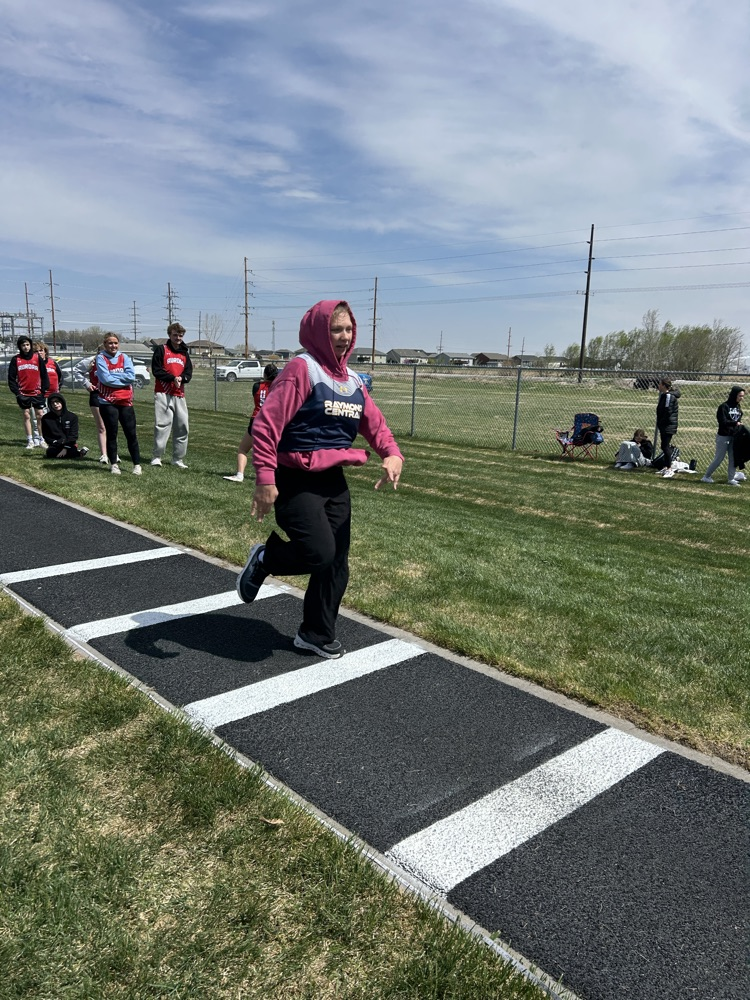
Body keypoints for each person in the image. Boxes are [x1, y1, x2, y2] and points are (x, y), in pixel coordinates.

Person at [236, 300, 403, 659]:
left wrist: (392, 454)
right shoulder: (303, 369)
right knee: (318, 552)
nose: (344, 337)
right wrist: (265, 478)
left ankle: (315, 634)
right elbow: (266, 425)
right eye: (335, 330)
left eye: (348, 330)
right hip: (295, 479)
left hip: (334, 481)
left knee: (337, 562)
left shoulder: (353, 381)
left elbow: (375, 424)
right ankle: (266, 558)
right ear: (319, 332)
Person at [95, 333, 142, 476]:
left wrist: (114, 376)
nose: (113, 346)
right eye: (110, 343)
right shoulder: (101, 358)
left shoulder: (124, 357)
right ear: (105, 344)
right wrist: (120, 379)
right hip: (108, 401)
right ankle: (114, 464)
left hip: (125, 401)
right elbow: (105, 379)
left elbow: (131, 377)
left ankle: (137, 465)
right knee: (112, 433)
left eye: (115, 343)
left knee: (131, 434)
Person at [223, 363, 279, 482]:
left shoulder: (257, 386)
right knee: (273, 452)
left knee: (243, 449)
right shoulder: (280, 387)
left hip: (257, 420)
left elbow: (256, 394)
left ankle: (240, 475)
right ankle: (273, 477)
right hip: (273, 422)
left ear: (265, 374)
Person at [150, 322, 193, 468]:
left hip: (179, 394)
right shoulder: (162, 349)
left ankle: (178, 459)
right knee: (162, 425)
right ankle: (157, 456)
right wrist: (172, 378)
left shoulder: (184, 353)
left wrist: (182, 378)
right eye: (175, 335)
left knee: (182, 426)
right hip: (163, 392)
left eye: (180, 335)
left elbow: (188, 373)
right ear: (170, 335)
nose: (178, 338)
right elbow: (156, 370)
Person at [7, 335, 49, 449]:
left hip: (37, 393)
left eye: (27, 345)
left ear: (30, 345)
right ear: (20, 347)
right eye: (23, 345)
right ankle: (30, 440)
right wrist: (17, 393)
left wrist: (43, 390)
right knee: (26, 415)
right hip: (23, 393)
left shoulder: (37, 357)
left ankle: (42, 439)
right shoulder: (16, 359)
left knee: (40, 415)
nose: (25, 347)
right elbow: (11, 378)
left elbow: (44, 375)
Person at [701, 386, 745, 486]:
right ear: (734, 395)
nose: (741, 398)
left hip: (734, 436)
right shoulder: (724, 406)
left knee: (733, 458)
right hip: (723, 436)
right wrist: (735, 423)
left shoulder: (738, 407)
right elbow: (722, 421)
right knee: (719, 458)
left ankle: (731, 478)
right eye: (739, 396)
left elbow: (738, 419)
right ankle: (706, 476)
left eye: (742, 396)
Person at [76, 353, 109, 463]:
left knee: (111, 427)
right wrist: (87, 383)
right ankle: (103, 454)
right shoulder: (92, 361)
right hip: (96, 395)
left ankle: (113, 453)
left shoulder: (116, 361)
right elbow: (77, 370)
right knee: (101, 427)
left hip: (110, 396)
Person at [40, 392, 89, 459]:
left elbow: (73, 435)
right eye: (52, 403)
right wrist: (55, 442)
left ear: (62, 402)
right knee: (50, 453)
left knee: (71, 453)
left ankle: (77, 452)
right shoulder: (46, 418)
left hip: (69, 444)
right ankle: (79, 452)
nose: (55, 404)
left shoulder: (72, 417)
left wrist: (65, 448)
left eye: (57, 402)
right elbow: (46, 435)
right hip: (56, 444)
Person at [655, 377, 680, 478]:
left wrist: (662, 422)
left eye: (660, 384)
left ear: (664, 386)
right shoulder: (665, 395)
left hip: (668, 425)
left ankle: (669, 468)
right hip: (665, 425)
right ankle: (666, 466)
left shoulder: (669, 396)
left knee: (665, 446)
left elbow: (667, 411)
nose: (658, 386)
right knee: (664, 446)